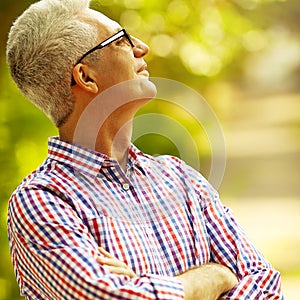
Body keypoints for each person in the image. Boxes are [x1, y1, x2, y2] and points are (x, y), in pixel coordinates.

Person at [6, 0, 284, 299]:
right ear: (86, 77)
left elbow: (264, 284)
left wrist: (145, 285)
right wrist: (216, 274)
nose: (141, 47)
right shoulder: (43, 201)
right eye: (121, 40)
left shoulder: (179, 177)